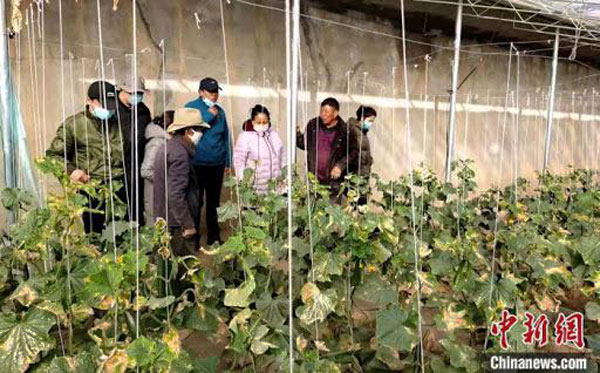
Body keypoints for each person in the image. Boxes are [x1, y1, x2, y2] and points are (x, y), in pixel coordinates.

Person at [46, 80, 128, 234]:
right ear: (89, 101)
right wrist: (71, 170)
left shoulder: (119, 123)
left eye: (111, 106)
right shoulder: (74, 125)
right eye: (103, 105)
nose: (108, 110)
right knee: (95, 236)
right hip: (92, 189)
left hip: (119, 190)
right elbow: (53, 156)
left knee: (121, 237)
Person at [153, 108, 209, 256]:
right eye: (200, 130)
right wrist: (187, 224)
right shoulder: (180, 154)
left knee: (166, 266)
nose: (201, 134)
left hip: (166, 217)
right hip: (176, 224)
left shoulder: (170, 146)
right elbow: (176, 193)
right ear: (189, 131)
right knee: (181, 268)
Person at [185, 77, 231, 246]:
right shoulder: (190, 107)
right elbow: (186, 129)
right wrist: (207, 116)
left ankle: (214, 237)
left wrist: (228, 161)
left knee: (214, 202)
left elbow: (226, 137)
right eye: (210, 92)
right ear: (200, 92)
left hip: (217, 163)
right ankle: (193, 238)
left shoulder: (221, 111)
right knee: (195, 201)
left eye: (216, 92)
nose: (213, 96)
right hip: (196, 163)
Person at [296, 97, 359, 202]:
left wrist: (340, 166)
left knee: (331, 212)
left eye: (326, 112)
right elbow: (305, 144)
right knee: (312, 212)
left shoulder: (345, 131)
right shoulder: (313, 125)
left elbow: (353, 152)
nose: (323, 114)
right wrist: (297, 134)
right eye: (321, 111)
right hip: (313, 179)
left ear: (335, 113)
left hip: (333, 183)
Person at [116, 73, 152, 226]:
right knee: (118, 210)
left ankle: (137, 241)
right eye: (132, 93)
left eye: (139, 93)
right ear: (121, 90)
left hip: (137, 168)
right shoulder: (112, 110)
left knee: (137, 208)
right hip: (117, 170)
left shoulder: (143, 111)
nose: (136, 96)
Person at [234, 105, 285, 194]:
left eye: (265, 122)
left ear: (269, 121)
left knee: (272, 207)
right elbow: (239, 161)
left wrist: (285, 178)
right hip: (254, 188)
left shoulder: (274, 136)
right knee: (254, 207)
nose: (262, 125)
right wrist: (243, 181)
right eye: (258, 122)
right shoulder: (245, 137)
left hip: (274, 188)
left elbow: (283, 157)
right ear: (252, 121)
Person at [141, 110, 173, 225]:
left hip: (161, 194)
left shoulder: (164, 141)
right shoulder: (156, 143)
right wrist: (167, 179)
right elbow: (145, 171)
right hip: (154, 196)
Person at [348, 105, 376, 205]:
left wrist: (369, 160)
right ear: (362, 118)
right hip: (356, 175)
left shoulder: (362, 132)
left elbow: (363, 151)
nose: (371, 124)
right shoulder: (354, 131)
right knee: (355, 204)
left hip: (362, 174)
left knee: (360, 204)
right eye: (370, 120)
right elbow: (351, 153)